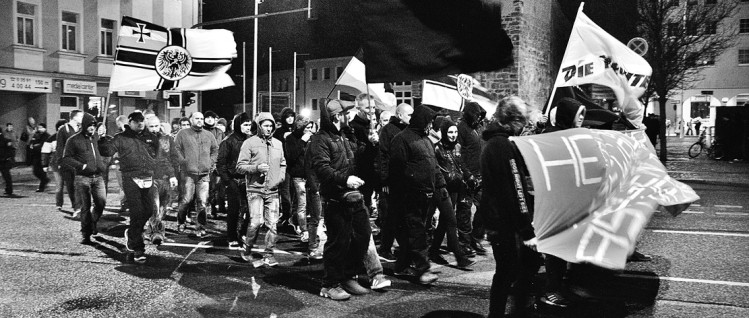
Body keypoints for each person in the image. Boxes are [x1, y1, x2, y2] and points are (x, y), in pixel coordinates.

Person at [479, 96, 541, 317]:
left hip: (498, 220)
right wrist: (526, 230)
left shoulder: (495, 144)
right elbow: (515, 190)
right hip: (506, 222)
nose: (524, 126)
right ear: (513, 120)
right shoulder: (502, 146)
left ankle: (509, 310)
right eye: (522, 120)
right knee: (511, 270)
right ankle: (509, 311)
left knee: (509, 270)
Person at [308, 100, 371, 300]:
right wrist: (345, 179)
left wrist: (371, 144)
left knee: (362, 235)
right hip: (336, 197)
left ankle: (348, 276)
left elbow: (357, 158)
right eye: (346, 113)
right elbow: (322, 169)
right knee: (338, 242)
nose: (350, 116)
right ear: (337, 116)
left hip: (354, 196)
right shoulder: (320, 140)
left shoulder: (344, 135)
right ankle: (330, 284)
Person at [389, 104, 443, 285]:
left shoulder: (426, 140)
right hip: (409, 195)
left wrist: (440, 187)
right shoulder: (401, 139)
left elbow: (433, 166)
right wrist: (401, 194)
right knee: (417, 232)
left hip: (426, 195)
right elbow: (396, 170)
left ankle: (402, 266)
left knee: (412, 233)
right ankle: (423, 268)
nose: (430, 125)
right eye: (429, 121)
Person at [99, 112, 159, 263]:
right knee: (137, 212)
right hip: (130, 178)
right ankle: (138, 249)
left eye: (142, 121)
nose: (140, 124)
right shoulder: (120, 138)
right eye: (137, 121)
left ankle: (131, 235)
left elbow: (156, 154)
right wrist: (101, 138)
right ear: (130, 122)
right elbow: (106, 151)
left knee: (149, 210)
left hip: (148, 178)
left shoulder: (151, 137)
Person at [236, 112, 286, 267]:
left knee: (273, 224)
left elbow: (283, 163)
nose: (269, 128)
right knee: (256, 222)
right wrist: (256, 168)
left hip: (273, 190)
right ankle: (247, 250)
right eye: (266, 125)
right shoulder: (249, 143)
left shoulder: (278, 144)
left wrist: (280, 178)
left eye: (271, 125)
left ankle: (269, 254)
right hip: (255, 189)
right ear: (259, 126)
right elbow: (239, 167)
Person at [429, 118, 477, 269]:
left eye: (455, 132)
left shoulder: (457, 146)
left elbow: (461, 164)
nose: (453, 135)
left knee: (445, 221)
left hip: (455, 187)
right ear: (444, 132)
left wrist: (469, 176)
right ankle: (459, 257)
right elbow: (436, 169)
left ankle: (434, 251)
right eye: (450, 132)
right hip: (442, 188)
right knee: (451, 221)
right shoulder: (436, 148)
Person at [62, 113, 108, 245]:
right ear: (84, 125)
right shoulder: (73, 140)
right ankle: (85, 234)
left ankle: (92, 222)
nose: (92, 127)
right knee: (85, 207)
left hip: (98, 177)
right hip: (82, 178)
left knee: (101, 202)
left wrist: (103, 137)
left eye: (94, 125)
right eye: (90, 125)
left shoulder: (95, 138)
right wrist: (81, 166)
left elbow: (105, 148)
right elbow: (66, 158)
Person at [376, 102, 412, 261]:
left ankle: (400, 248)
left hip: (404, 179)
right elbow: (383, 156)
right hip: (391, 180)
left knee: (399, 216)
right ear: (400, 115)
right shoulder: (388, 130)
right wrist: (385, 181)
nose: (411, 117)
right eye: (409, 115)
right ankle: (385, 248)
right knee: (390, 216)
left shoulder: (407, 130)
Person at [174, 112, 218, 237]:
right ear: (191, 119)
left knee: (202, 202)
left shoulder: (208, 135)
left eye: (201, 118)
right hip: (187, 174)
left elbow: (215, 149)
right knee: (186, 200)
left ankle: (201, 226)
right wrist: (183, 161)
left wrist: (211, 163)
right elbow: (176, 148)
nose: (200, 120)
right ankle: (181, 221)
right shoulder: (182, 134)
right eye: (197, 118)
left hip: (204, 174)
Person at [217, 113, 254, 249]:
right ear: (238, 125)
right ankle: (231, 236)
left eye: (249, 124)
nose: (247, 127)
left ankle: (243, 233)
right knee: (234, 210)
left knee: (251, 210)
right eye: (245, 124)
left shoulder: (252, 140)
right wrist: (228, 181)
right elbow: (221, 163)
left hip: (248, 179)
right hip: (234, 180)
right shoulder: (228, 141)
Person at [456, 101, 487, 256]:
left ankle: (475, 237)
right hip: (467, 176)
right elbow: (458, 154)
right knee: (464, 210)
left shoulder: (479, 128)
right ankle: (464, 242)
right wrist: (467, 174)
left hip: (481, 175)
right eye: (476, 116)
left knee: (484, 207)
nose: (478, 119)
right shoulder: (461, 128)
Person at [143, 116, 178, 245]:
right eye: (151, 126)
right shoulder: (142, 140)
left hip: (165, 178)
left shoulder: (167, 139)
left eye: (156, 126)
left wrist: (173, 175)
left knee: (163, 208)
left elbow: (172, 158)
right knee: (155, 207)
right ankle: (158, 233)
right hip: (150, 179)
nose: (154, 129)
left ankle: (149, 232)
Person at [348, 94, 380, 219]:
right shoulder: (352, 127)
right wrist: (368, 142)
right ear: (359, 108)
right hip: (360, 172)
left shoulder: (373, 126)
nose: (372, 111)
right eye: (368, 108)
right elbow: (354, 152)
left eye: (373, 108)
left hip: (373, 172)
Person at [284, 115, 313, 242]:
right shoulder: (291, 138)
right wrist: (302, 141)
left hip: (311, 175)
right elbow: (291, 157)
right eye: (307, 127)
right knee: (302, 205)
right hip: (298, 176)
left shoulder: (313, 138)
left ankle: (305, 225)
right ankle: (304, 230)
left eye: (311, 128)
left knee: (312, 204)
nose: (309, 130)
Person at [273, 107, 297, 230]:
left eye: (292, 116)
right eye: (287, 117)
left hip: (296, 166)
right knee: (285, 192)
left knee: (295, 192)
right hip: (284, 165)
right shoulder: (278, 132)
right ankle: (286, 215)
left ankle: (291, 216)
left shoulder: (297, 130)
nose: (290, 119)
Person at [57, 110, 84, 217]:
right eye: (81, 116)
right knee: (70, 186)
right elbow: (60, 147)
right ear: (74, 117)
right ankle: (76, 207)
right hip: (67, 163)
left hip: (79, 162)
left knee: (80, 185)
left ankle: (80, 206)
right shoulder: (63, 130)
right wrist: (60, 161)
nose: (82, 118)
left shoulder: (81, 129)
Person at [203, 111, 225, 218]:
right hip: (205, 163)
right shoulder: (201, 131)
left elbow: (223, 147)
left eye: (212, 117)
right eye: (208, 117)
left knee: (215, 187)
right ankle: (206, 208)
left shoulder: (220, 132)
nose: (210, 119)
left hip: (217, 164)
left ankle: (212, 208)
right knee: (205, 187)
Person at [42, 119, 69, 207]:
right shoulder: (51, 139)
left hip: (70, 163)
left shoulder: (71, 136)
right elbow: (45, 152)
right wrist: (44, 164)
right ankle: (59, 203)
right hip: (57, 164)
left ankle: (76, 205)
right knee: (59, 185)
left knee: (72, 185)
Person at [29, 123, 50, 192]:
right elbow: (32, 141)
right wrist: (32, 145)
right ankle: (45, 180)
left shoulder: (47, 136)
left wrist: (35, 146)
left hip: (43, 155)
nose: (40, 129)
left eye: (41, 127)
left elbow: (44, 145)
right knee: (35, 171)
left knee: (42, 171)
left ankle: (42, 187)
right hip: (36, 155)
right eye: (39, 127)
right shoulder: (36, 134)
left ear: (45, 128)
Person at [0, 127, 15, 196]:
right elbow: (11, 150)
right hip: (4, 160)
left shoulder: (6, 140)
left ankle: (9, 189)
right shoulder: (6, 140)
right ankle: (9, 190)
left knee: (6, 176)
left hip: (3, 160)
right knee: (6, 176)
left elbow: (10, 150)